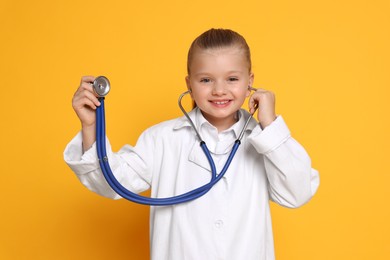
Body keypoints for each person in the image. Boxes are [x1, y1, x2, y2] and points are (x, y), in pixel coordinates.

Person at [64, 28, 319, 260]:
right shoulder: (162, 139)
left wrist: (271, 125)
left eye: (232, 79)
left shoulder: (266, 139)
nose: (219, 90)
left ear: (250, 82)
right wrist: (90, 126)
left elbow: (297, 193)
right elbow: (112, 183)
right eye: (206, 80)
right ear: (189, 84)